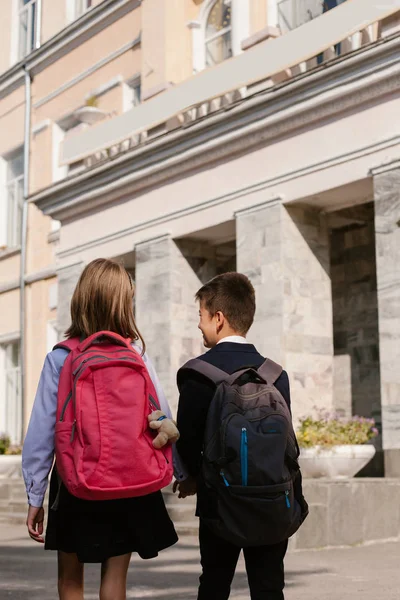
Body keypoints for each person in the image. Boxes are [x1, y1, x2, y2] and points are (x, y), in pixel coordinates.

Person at [22, 258, 181, 600]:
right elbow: (162, 415)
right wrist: (179, 470)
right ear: (124, 302)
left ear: (81, 299)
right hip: (128, 478)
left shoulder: (61, 357)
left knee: (70, 581)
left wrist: (35, 495)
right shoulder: (135, 353)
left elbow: (41, 434)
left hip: (75, 479)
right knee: (114, 582)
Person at [174, 272, 308, 600]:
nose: (199, 325)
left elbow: (188, 439)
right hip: (272, 500)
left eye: (201, 317)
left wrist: (189, 478)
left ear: (218, 319)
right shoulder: (276, 375)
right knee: (268, 587)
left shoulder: (196, 373)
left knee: (215, 584)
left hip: (220, 502)